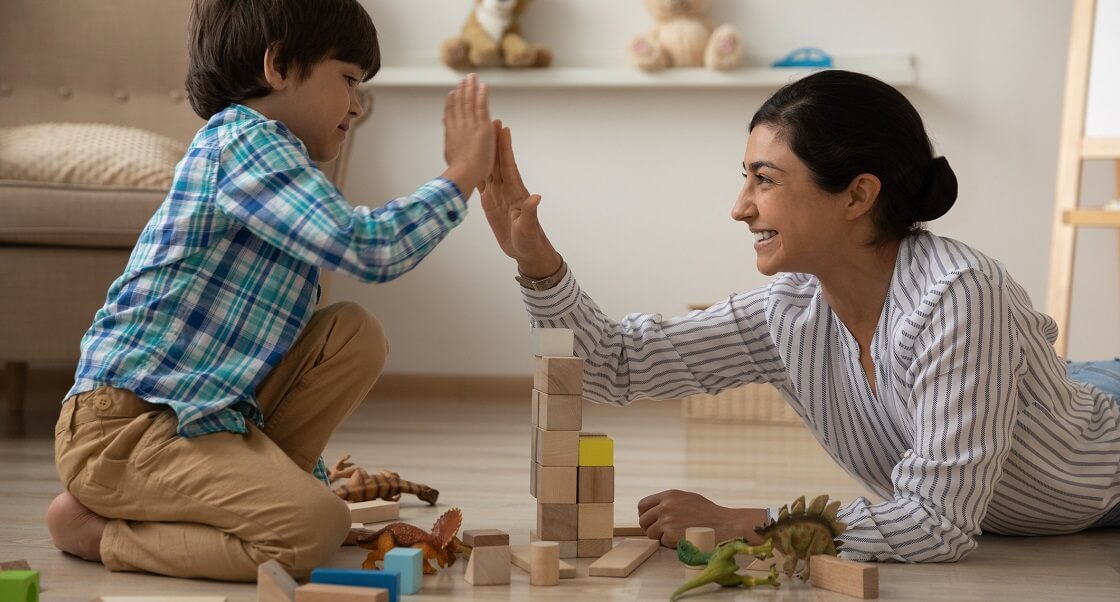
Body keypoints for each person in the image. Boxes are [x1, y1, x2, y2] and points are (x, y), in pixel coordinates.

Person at [482, 69, 1120, 562]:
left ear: (857, 194)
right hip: (1056, 395)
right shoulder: (790, 308)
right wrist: (536, 260)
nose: (740, 206)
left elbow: (936, 525)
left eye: (764, 179)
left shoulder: (957, 294)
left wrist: (751, 523)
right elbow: (611, 369)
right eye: (746, 178)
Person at [46, 0, 495, 581]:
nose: (358, 106)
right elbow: (368, 247)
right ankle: (101, 533)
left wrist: (303, 488)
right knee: (311, 532)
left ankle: (272, 503)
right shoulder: (245, 140)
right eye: (350, 80)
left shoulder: (277, 161)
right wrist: (460, 174)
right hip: (126, 430)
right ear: (279, 65)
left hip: (201, 418)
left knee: (351, 333)